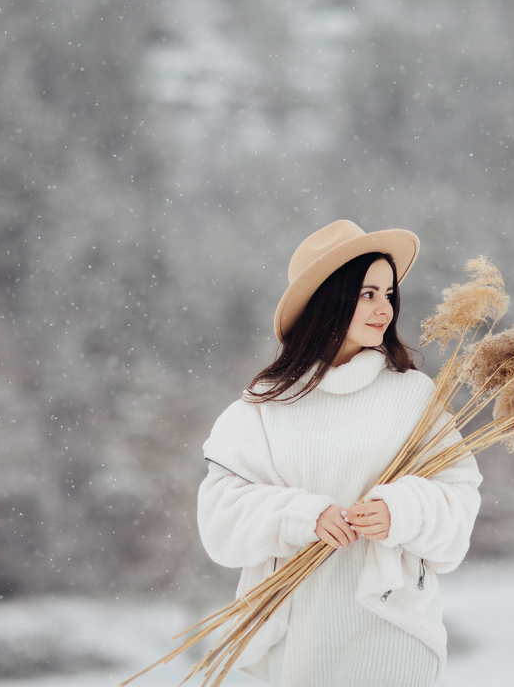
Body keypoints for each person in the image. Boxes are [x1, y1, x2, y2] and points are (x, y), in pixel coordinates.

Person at [197, 220, 482, 687]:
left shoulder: (414, 396)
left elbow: (459, 504)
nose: (384, 309)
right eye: (368, 294)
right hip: (296, 627)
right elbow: (220, 518)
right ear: (329, 299)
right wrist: (302, 516)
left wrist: (402, 511)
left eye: (389, 294)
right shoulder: (264, 405)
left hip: (392, 625)